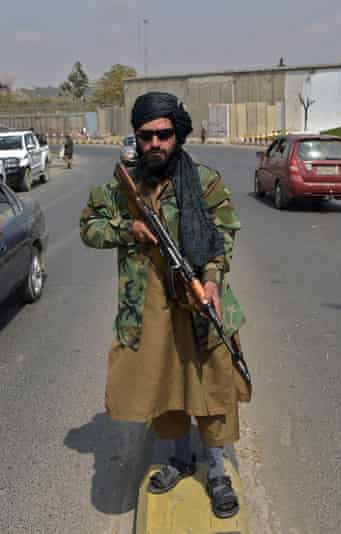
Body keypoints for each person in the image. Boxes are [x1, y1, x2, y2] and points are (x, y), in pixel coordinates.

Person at [80, 91, 250, 519]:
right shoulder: (121, 189)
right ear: (136, 139)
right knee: (167, 389)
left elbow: (224, 232)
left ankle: (216, 473)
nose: (156, 143)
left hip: (198, 305)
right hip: (150, 308)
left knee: (211, 389)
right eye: (146, 136)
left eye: (164, 134)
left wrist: (211, 280)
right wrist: (128, 228)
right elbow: (89, 228)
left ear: (178, 135)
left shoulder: (204, 181)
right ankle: (178, 458)